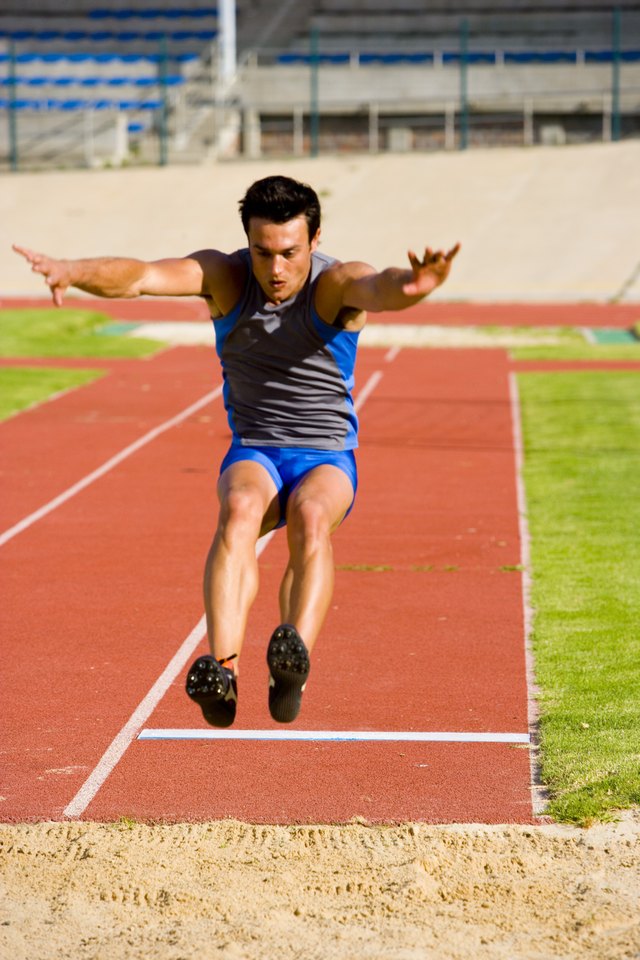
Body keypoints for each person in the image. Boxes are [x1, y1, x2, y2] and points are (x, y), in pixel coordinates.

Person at [13, 174, 459, 728]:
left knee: (311, 516)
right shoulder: (225, 277)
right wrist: (72, 271)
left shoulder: (335, 284)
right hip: (255, 450)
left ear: (315, 240)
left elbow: (379, 287)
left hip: (326, 456)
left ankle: (291, 660)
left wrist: (415, 286)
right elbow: (142, 277)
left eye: (289, 253)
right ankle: (223, 672)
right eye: (262, 252)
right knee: (240, 511)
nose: (275, 269)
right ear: (246, 241)